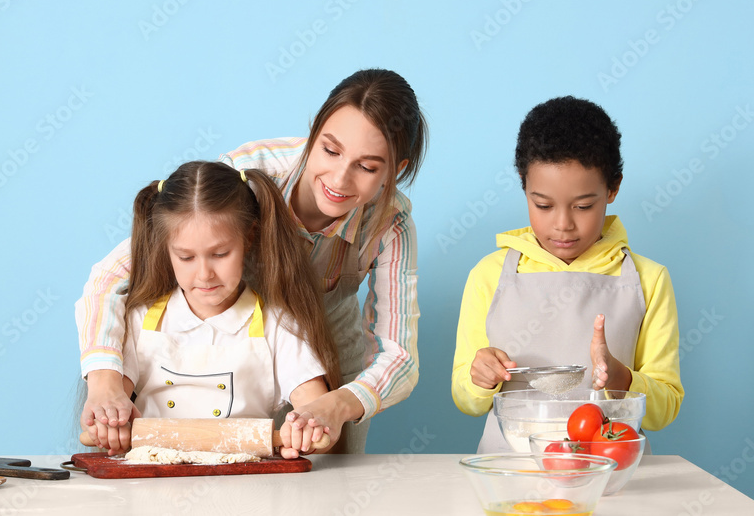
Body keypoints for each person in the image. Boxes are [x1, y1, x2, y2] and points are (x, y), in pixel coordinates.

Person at [76, 69, 427, 453]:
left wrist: (337, 403)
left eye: (367, 167)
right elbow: (110, 276)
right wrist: (107, 382)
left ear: (397, 170)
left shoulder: (391, 222)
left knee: (326, 472)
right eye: (330, 150)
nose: (340, 179)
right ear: (313, 133)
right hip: (234, 338)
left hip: (325, 344)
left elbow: (399, 355)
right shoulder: (250, 172)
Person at [451, 96, 684, 452]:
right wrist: (479, 378)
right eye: (542, 205)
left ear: (613, 187)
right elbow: (466, 402)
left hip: (610, 474)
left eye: (583, 206)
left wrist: (620, 377)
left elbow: (665, 409)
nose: (562, 224)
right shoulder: (490, 274)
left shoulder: (649, 279)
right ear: (524, 186)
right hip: (511, 472)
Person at [80, 161, 342, 458]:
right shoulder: (141, 321)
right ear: (166, 250)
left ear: (250, 237)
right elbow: (113, 401)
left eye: (220, 254)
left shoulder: (278, 325)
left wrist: (309, 426)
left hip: (245, 484)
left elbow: (315, 406)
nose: (204, 274)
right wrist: (108, 423)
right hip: (153, 480)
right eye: (186, 257)